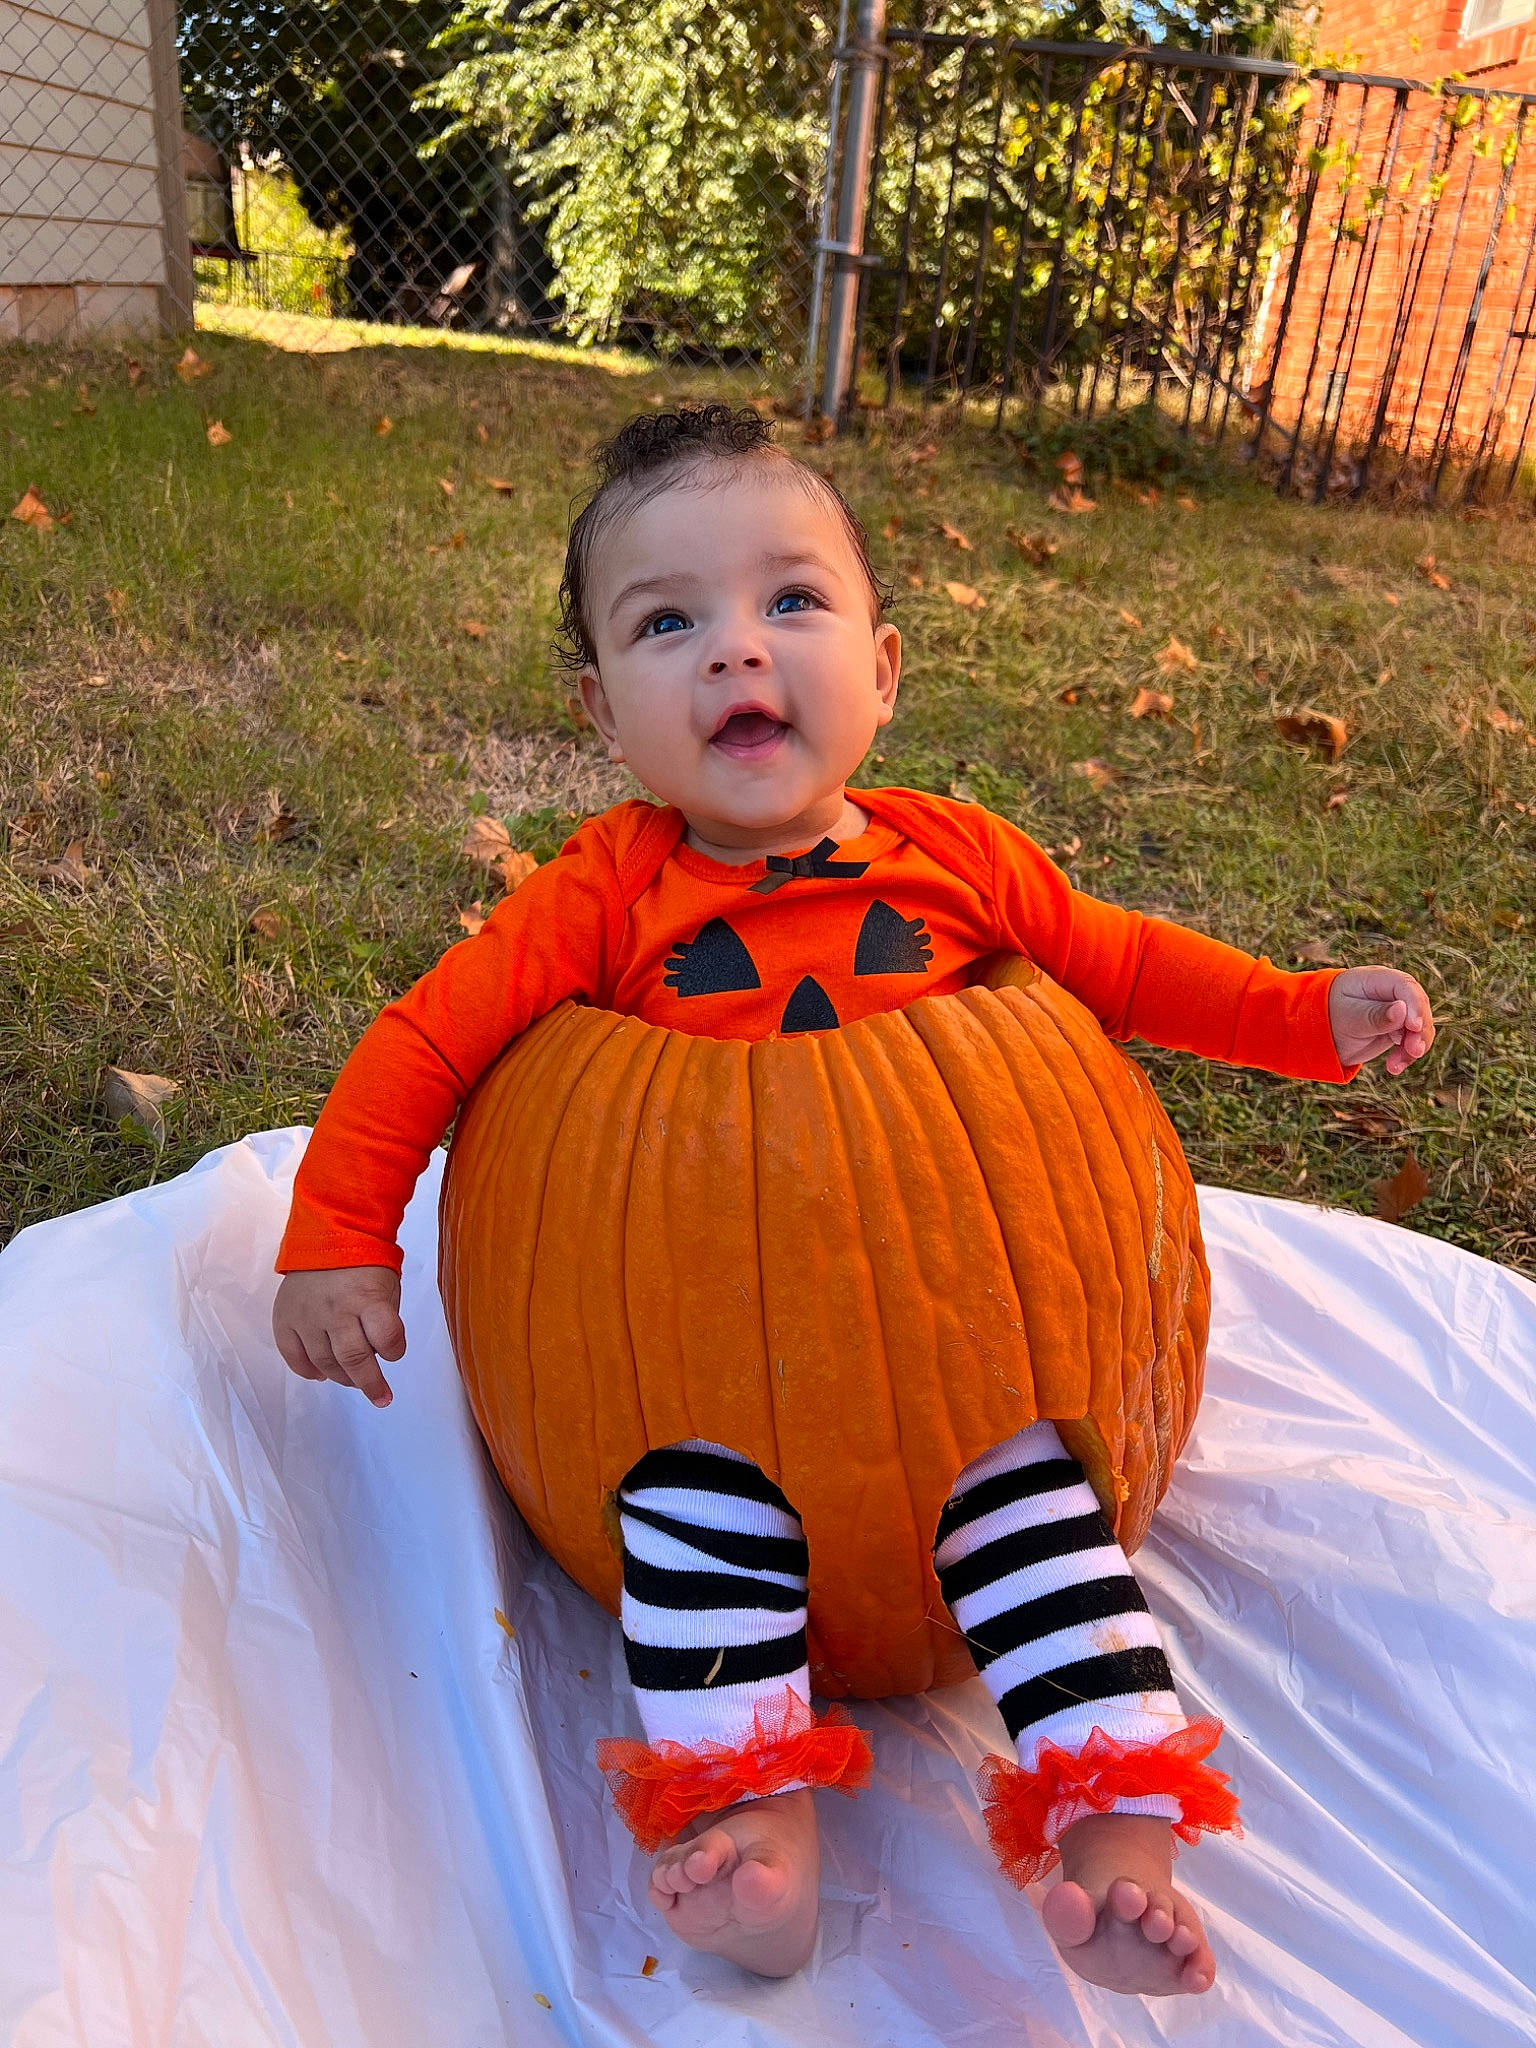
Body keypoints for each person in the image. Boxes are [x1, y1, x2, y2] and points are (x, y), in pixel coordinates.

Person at [271, 403, 1435, 1993]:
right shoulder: (600, 900)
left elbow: (1136, 968)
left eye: (789, 602)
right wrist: (337, 1241)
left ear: (883, 670)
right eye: (667, 622)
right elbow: (427, 1040)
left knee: (1051, 1540)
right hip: (697, 1375)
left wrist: (1309, 1015)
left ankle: (1115, 1846)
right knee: (688, 1548)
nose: (736, 654)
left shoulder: (958, 863)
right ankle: (760, 1840)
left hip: (972, 1368)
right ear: (607, 714)